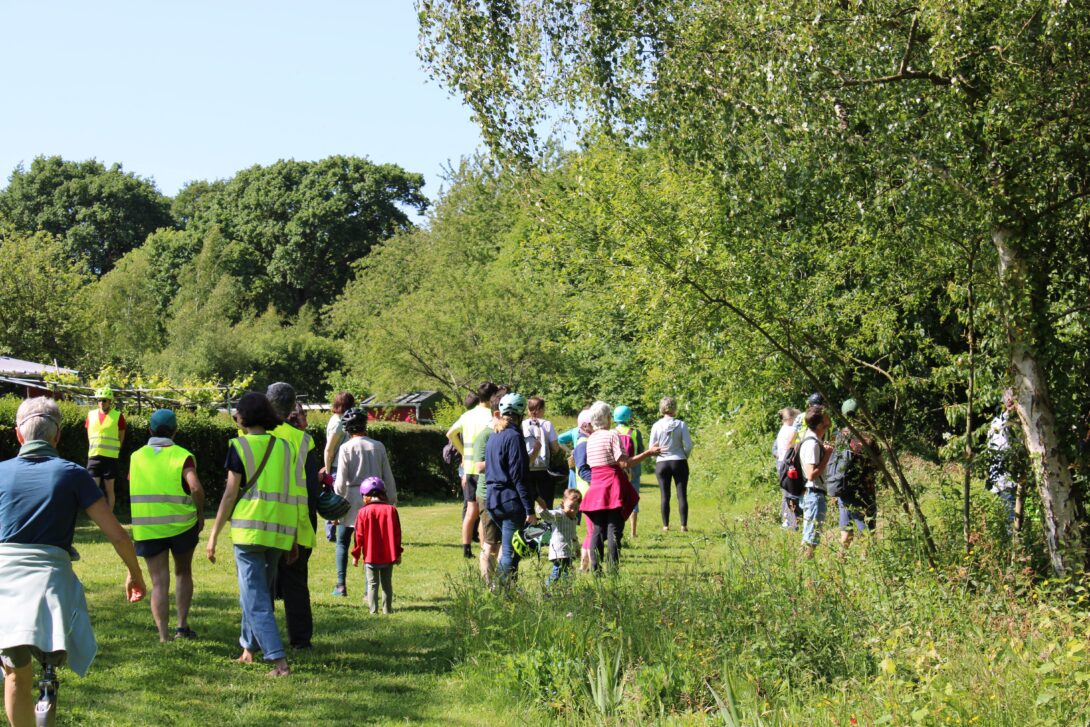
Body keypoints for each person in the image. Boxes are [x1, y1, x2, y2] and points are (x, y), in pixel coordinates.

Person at [0, 397, 146, 726]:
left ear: (19, 435)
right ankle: (50, 676)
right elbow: (118, 535)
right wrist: (134, 574)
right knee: (50, 652)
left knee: (14, 673)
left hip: (5, 581)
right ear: (57, 436)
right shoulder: (73, 474)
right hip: (51, 582)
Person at [206, 392, 295, 676]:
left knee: (256, 598)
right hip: (278, 532)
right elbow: (292, 493)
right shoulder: (284, 447)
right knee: (255, 594)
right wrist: (292, 536)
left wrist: (213, 534)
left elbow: (230, 494)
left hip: (248, 533)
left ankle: (278, 661)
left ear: (243, 417)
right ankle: (248, 649)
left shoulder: (238, 446)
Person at [129, 408, 205, 642]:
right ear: (175, 431)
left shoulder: (136, 456)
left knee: (158, 582)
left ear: (150, 429)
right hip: (181, 525)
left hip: (149, 527)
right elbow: (195, 487)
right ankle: (181, 627)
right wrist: (200, 514)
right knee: (183, 572)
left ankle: (163, 636)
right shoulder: (182, 455)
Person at [266, 384, 320, 650]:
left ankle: (260, 640)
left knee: (262, 585)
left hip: (263, 521)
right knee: (296, 584)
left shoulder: (254, 434)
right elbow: (312, 489)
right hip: (297, 521)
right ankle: (301, 640)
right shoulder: (303, 440)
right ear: (291, 409)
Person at [582, 401, 659, 571]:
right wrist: (648, 453)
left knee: (597, 529)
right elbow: (624, 463)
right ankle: (612, 569)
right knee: (613, 529)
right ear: (607, 418)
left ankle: (595, 568)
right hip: (612, 485)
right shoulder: (612, 435)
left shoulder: (591, 438)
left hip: (596, 486)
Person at [332, 407, 397, 597]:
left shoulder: (345, 448)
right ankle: (369, 589)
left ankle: (341, 585)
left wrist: (337, 508)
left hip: (350, 500)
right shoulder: (378, 446)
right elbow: (388, 477)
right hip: (374, 502)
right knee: (370, 544)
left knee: (342, 542)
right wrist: (391, 500)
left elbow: (341, 481)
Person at [484, 392, 536, 586]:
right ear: (520, 415)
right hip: (509, 501)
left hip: (493, 500)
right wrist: (530, 510)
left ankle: (509, 590)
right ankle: (501, 592)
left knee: (512, 549)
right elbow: (519, 476)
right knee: (510, 552)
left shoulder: (494, 436)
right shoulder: (514, 437)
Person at [447, 382, 499, 559]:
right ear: (492, 397)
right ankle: (485, 548)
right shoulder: (491, 416)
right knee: (484, 511)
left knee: (471, 510)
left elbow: (450, 434)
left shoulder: (468, 415)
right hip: (484, 468)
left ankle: (466, 548)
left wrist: (463, 453)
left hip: (469, 468)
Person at [351, 477, 402, 614]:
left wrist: (356, 555)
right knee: (387, 585)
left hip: (370, 556)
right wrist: (398, 553)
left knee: (372, 585)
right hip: (388, 555)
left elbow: (358, 536)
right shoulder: (391, 510)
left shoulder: (362, 512)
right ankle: (388, 610)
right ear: (383, 494)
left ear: (366, 496)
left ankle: (373, 611)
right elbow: (397, 535)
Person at [469, 393, 503, 585]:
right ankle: (488, 583)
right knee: (490, 543)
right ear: (497, 414)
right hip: (487, 493)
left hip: (503, 493)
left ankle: (500, 582)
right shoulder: (486, 435)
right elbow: (479, 466)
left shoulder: (503, 433)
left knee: (502, 544)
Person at [649, 396, 694, 532]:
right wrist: (684, 455)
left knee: (665, 495)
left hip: (662, 462)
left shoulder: (656, 425)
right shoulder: (681, 424)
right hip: (679, 460)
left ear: (661, 409)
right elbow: (689, 445)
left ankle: (666, 526)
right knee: (682, 494)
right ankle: (683, 525)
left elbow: (651, 447)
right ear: (674, 408)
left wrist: (657, 456)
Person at [986, 389, 1026, 526]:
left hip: (1014, 478)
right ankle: (1015, 544)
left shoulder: (1015, 424)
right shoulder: (998, 423)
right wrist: (1009, 411)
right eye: (1008, 399)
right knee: (1012, 518)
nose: (1011, 402)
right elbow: (1003, 423)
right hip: (1005, 481)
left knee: (1020, 517)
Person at [799, 405, 834, 559]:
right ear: (820, 424)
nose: (829, 420)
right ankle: (803, 572)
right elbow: (810, 474)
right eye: (826, 418)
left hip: (816, 494)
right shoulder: (811, 444)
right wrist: (827, 455)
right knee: (811, 539)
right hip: (814, 494)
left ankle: (803, 570)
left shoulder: (816, 441)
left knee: (811, 538)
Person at [85, 386, 126, 513]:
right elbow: (88, 433)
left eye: (104, 400)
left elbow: (121, 436)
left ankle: (110, 514)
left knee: (110, 489)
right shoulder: (90, 415)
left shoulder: (118, 416)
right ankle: (95, 514)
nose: (101, 403)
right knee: (93, 489)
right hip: (94, 456)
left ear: (110, 401)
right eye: (99, 400)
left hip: (110, 457)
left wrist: (116, 449)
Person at [322, 391, 355, 541]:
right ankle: (331, 533)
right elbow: (329, 449)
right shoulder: (338, 423)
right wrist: (328, 471)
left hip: (338, 465)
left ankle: (335, 530)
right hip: (336, 466)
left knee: (336, 497)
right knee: (335, 499)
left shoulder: (337, 419)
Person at [534, 488, 582, 586]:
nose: (573, 510)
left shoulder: (574, 519)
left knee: (565, 572)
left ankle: (564, 591)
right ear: (563, 503)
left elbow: (574, 535)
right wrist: (541, 508)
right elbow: (548, 516)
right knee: (559, 572)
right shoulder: (559, 514)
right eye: (570, 506)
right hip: (558, 550)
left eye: (576, 508)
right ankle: (548, 590)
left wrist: (577, 548)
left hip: (568, 551)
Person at [612, 405, 644, 538]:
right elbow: (641, 451)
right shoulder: (635, 432)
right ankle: (633, 532)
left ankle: (616, 528)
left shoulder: (611, 432)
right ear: (629, 417)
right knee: (633, 495)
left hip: (617, 466)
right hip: (633, 466)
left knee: (618, 496)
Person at [523, 397, 561, 507]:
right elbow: (555, 447)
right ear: (540, 409)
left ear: (528, 410)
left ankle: (530, 523)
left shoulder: (522, 424)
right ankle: (547, 523)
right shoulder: (547, 424)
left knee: (527, 502)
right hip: (544, 469)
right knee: (547, 503)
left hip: (526, 468)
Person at [774, 407, 801, 529]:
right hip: (787, 464)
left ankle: (787, 520)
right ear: (790, 418)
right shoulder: (791, 430)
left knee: (786, 492)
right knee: (790, 493)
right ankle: (791, 522)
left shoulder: (783, 429)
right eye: (796, 418)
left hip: (781, 463)